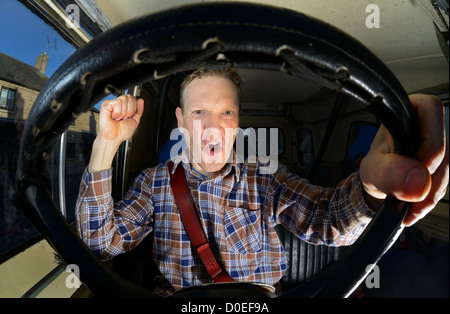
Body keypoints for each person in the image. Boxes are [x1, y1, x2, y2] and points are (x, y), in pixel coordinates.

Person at [76, 68, 448, 297]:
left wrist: (370, 184)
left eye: (225, 112)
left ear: (237, 122)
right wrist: (106, 143)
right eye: (198, 112)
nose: (211, 126)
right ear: (180, 120)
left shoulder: (265, 176)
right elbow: (100, 244)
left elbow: (328, 219)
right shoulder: (155, 183)